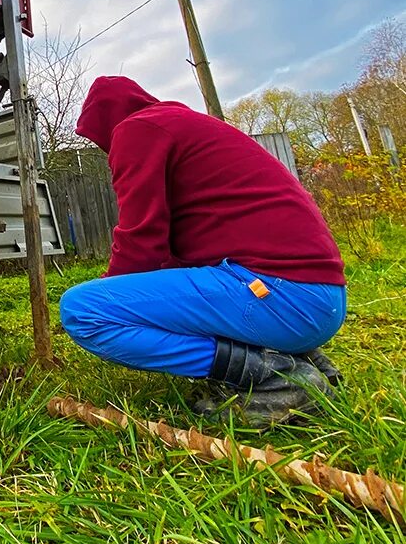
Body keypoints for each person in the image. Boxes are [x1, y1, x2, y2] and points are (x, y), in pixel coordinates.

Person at [59, 76, 346, 428]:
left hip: (284, 296)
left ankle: (276, 377)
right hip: (318, 299)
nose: (104, 147)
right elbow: (175, 258)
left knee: (84, 310)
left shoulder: (136, 130)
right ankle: (304, 360)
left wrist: (111, 295)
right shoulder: (186, 126)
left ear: (105, 119)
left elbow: (140, 239)